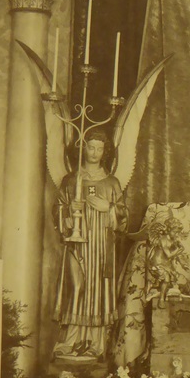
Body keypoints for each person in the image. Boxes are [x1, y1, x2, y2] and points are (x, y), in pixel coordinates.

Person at [53, 130, 127, 360]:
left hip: (101, 245)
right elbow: (57, 209)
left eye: (99, 148)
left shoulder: (112, 183)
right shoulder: (70, 181)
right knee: (76, 286)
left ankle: (96, 343)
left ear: (105, 152)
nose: (95, 153)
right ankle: (70, 341)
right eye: (91, 147)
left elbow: (124, 216)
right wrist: (67, 212)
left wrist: (109, 208)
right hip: (78, 243)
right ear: (83, 148)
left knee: (98, 288)